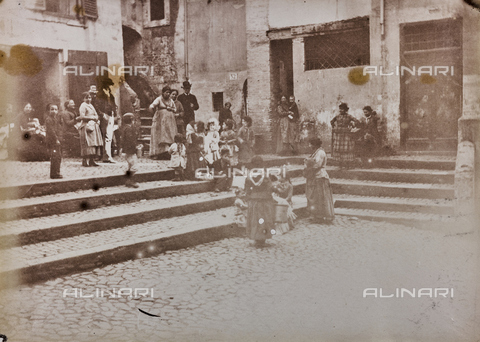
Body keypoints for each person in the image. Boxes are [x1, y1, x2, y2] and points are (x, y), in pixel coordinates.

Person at [245, 156, 275, 247]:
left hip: (254, 200)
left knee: (255, 219)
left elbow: (247, 188)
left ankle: (256, 237)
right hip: (265, 200)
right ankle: (263, 238)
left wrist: (248, 196)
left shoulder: (249, 175)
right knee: (264, 219)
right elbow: (270, 187)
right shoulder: (265, 175)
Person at [304, 138, 335, 223]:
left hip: (320, 177)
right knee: (316, 197)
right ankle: (318, 216)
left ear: (315, 144)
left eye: (310, 144)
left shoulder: (320, 153)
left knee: (321, 197)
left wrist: (308, 165)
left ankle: (323, 216)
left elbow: (317, 164)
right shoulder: (316, 152)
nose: (309, 146)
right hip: (315, 176)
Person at [149, 86, 177, 159]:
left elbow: (175, 109)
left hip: (170, 122)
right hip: (160, 121)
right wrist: (153, 113)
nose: (168, 94)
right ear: (163, 93)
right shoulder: (159, 99)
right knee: (159, 136)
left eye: (169, 93)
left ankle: (168, 153)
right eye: (166, 92)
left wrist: (170, 109)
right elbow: (152, 106)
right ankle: (157, 154)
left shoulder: (171, 101)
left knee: (170, 135)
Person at [77, 91, 103, 167]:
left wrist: (96, 118)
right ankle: (85, 161)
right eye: (86, 98)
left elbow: (96, 114)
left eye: (89, 97)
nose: (88, 99)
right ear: (83, 99)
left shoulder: (91, 105)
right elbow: (82, 116)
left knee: (93, 144)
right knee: (87, 144)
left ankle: (92, 160)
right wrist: (92, 118)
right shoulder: (83, 105)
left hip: (93, 126)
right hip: (86, 126)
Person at [330, 102, 360, 168]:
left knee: (346, 149)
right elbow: (331, 121)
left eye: (342, 109)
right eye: (340, 109)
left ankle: (347, 165)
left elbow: (357, 121)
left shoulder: (349, 116)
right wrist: (334, 127)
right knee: (339, 149)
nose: (340, 110)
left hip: (346, 134)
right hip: (338, 134)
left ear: (345, 110)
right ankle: (340, 164)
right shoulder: (337, 116)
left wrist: (352, 126)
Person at [120, 113, 140, 188]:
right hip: (130, 150)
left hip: (127, 150)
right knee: (134, 166)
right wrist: (135, 146)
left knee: (130, 165)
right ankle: (130, 180)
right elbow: (130, 140)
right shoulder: (129, 129)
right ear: (131, 120)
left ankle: (129, 181)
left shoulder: (124, 128)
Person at [45, 103, 63, 179]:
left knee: (58, 156)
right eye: (52, 109)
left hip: (57, 139)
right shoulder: (48, 119)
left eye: (56, 109)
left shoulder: (56, 119)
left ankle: (57, 171)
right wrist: (56, 139)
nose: (54, 111)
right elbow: (51, 131)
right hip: (52, 140)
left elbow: (59, 129)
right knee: (55, 156)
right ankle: (54, 173)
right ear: (48, 110)